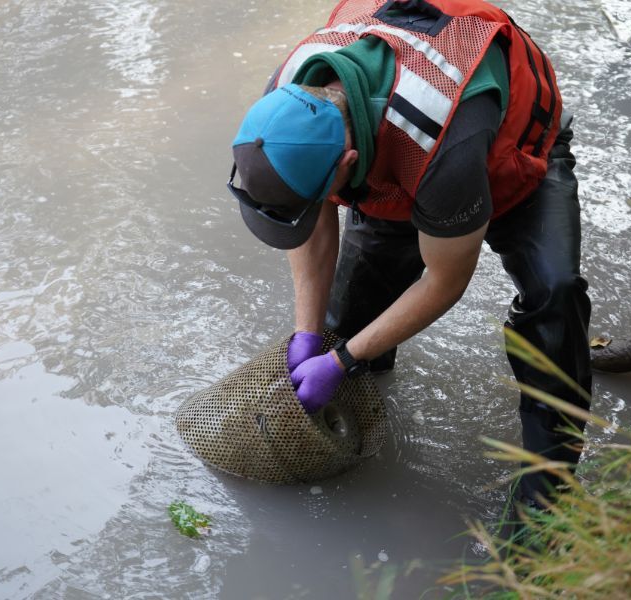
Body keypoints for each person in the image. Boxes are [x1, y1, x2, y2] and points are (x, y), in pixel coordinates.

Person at [227, 0, 592, 522]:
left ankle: (548, 488)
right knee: (347, 323)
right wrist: (309, 335)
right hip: (396, 155)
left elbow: (446, 281)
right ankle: (360, 401)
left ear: (348, 164)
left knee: (553, 296)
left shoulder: (441, 139)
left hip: (509, 157)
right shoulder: (284, 102)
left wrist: (342, 361)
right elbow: (312, 222)